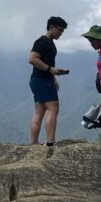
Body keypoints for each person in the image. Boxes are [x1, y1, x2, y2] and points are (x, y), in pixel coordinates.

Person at [28, 16, 69, 146]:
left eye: (62, 31)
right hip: (41, 80)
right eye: (60, 30)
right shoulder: (42, 42)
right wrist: (50, 70)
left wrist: (54, 77)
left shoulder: (50, 43)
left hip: (39, 80)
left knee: (39, 111)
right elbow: (32, 59)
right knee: (53, 108)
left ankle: (34, 143)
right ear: (51, 27)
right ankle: (50, 142)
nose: (61, 33)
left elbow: (47, 63)